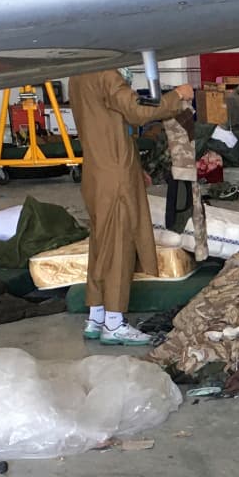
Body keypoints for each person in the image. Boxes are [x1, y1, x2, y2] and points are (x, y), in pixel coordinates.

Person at [69, 68, 193, 345]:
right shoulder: (106, 74)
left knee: (101, 244)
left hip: (97, 170)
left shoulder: (77, 76)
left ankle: (96, 315)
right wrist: (177, 96)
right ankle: (114, 322)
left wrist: (134, 167)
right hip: (115, 174)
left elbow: (108, 123)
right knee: (119, 247)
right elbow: (136, 111)